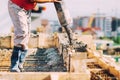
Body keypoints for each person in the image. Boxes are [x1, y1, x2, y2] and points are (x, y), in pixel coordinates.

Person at [8, 0, 60, 72]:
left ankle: (20, 64)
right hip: (17, 6)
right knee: (22, 33)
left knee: (26, 35)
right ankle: (14, 65)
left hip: (26, 8)